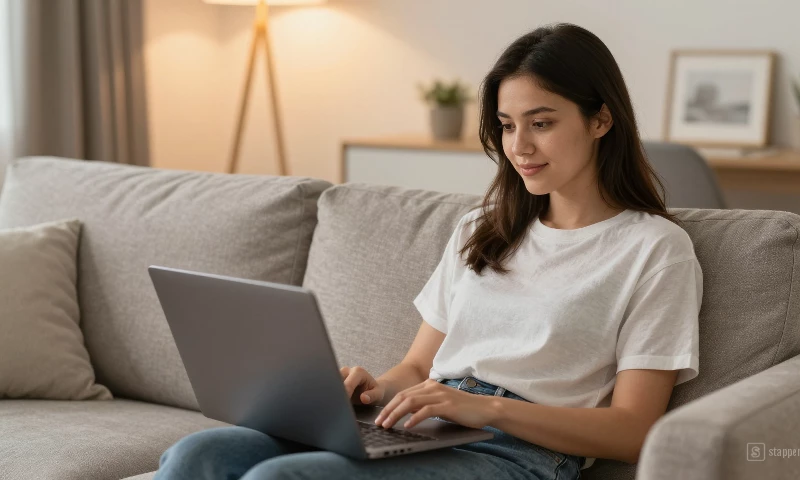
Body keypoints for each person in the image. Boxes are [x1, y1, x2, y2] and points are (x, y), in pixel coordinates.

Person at [154, 22, 702, 480]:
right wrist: (372, 391)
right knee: (197, 456)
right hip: (427, 427)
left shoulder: (654, 249)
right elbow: (418, 364)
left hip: (520, 455)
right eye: (508, 126)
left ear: (601, 120)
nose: (519, 147)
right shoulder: (481, 228)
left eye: (542, 123)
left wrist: (484, 408)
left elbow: (635, 432)